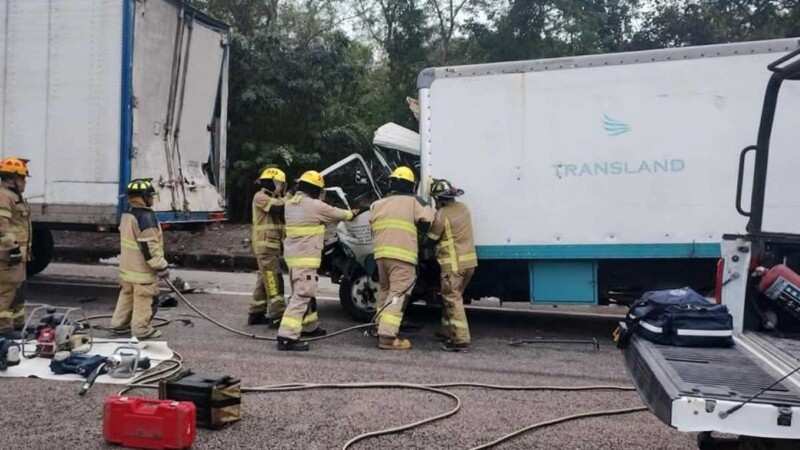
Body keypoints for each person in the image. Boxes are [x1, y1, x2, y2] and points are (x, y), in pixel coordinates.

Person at [277, 170, 356, 351]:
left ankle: (309, 327)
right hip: (306, 259)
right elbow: (339, 214)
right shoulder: (315, 206)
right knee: (302, 295)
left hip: (293, 258)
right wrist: (353, 213)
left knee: (305, 293)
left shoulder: (290, 204)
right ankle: (287, 336)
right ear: (315, 189)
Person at [369, 166, 434, 350]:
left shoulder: (377, 204)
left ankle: (378, 326)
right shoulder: (415, 202)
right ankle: (387, 337)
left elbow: (373, 227)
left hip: (381, 256)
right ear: (411, 185)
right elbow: (427, 222)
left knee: (385, 291)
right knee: (397, 295)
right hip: (402, 257)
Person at [110, 178, 169, 340]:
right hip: (142, 272)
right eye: (150, 195)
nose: (152, 199)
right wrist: (161, 266)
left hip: (127, 270)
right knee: (144, 299)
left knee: (126, 296)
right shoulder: (146, 218)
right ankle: (141, 329)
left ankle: (118, 325)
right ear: (142, 196)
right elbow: (149, 246)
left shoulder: (127, 214)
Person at [426, 179, 477, 351]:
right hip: (469, 263)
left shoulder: (441, 215)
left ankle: (460, 339)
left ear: (439, 199)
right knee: (454, 298)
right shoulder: (464, 208)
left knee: (452, 300)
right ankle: (446, 330)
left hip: (453, 266)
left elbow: (431, 239)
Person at [248, 167, 287, 327]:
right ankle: (277, 315)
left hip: (270, 247)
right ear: (273, 182)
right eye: (280, 184)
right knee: (273, 280)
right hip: (266, 247)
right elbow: (279, 207)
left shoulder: (272, 197)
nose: (282, 187)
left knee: (264, 280)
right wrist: (293, 197)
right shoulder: (261, 197)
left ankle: (256, 313)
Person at [0, 158, 31, 339]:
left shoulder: (14, 196)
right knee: (5, 292)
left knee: (18, 292)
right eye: (23, 178)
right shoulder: (4, 196)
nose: (25, 182)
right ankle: (3, 330)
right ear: (12, 178)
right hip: (7, 256)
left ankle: (17, 325)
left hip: (19, 255)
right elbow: (1, 226)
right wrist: (11, 249)